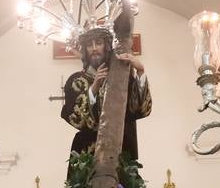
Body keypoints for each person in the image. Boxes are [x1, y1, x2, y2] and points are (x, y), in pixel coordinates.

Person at [61, 27, 152, 165]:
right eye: (89, 45)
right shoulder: (75, 81)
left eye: (98, 43)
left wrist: (140, 71)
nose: (94, 48)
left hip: (121, 152)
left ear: (107, 46)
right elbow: (76, 119)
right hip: (87, 155)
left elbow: (140, 110)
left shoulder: (121, 78)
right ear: (85, 50)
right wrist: (94, 88)